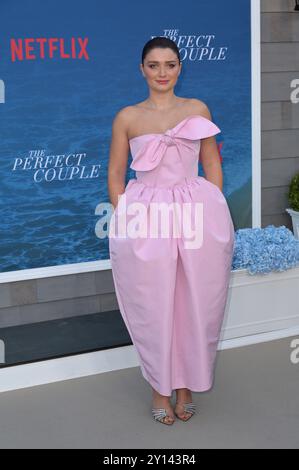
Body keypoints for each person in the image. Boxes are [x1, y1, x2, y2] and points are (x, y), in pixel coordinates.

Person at [108, 37, 235, 425]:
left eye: (170, 64)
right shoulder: (127, 117)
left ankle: (187, 385)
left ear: (180, 68)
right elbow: (115, 175)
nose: (162, 72)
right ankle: (160, 388)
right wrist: (129, 216)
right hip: (148, 220)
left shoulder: (197, 109)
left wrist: (212, 209)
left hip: (195, 217)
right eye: (154, 65)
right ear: (142, 69)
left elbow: (212, 164)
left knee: (196, 301)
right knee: (154, 304)